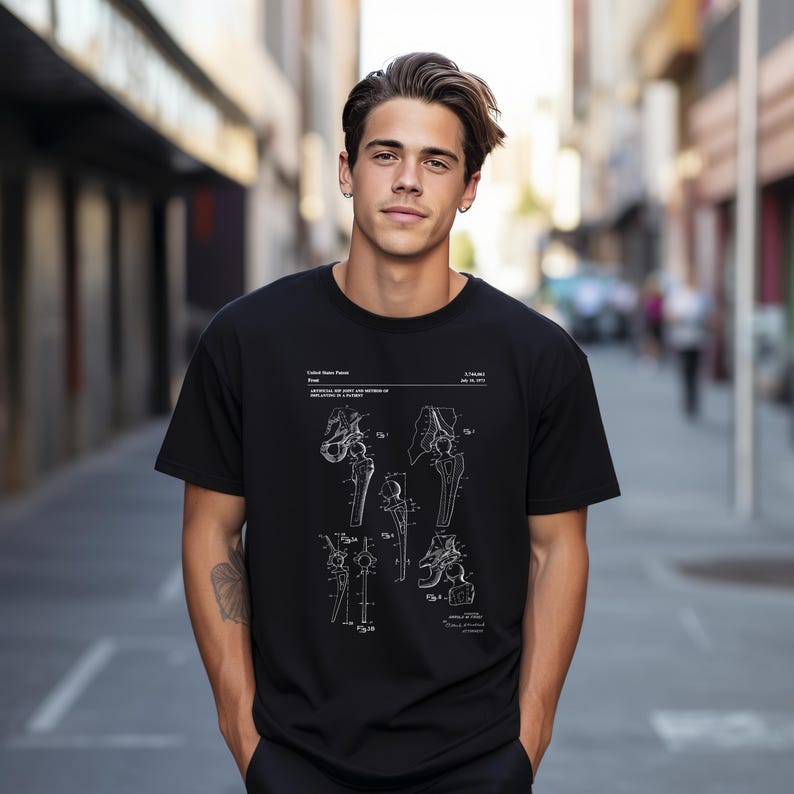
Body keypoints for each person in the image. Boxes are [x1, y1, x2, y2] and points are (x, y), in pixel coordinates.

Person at [154, 52, 620, 793]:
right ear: (347, 170)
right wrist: (244, 732)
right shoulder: (248, 341)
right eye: (385, 154)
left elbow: (557, 551)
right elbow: (210, 530)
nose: (408, 179)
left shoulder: (539, 358)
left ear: (469, 188)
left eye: (437, 162)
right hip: (296, 757)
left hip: (478, 760)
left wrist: (527, 740)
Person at [664, 275, 712, 418]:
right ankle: (687, 401)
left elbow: (709, 316)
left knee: (694, 371)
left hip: (697, 339)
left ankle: (694, 401)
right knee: (685, 371)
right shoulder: (677, 296)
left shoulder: (701, 297)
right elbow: (669, 315)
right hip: (682, 339)